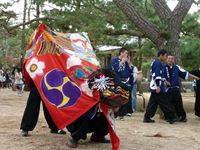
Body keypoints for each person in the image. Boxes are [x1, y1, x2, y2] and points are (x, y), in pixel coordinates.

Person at [143, 49, 177, 124]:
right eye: (165, 56)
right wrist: (158, 86)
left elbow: (160, 75)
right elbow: (157, 75)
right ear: (161, 55)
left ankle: (147, 117)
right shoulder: (157, 63)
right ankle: (171, 117)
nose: (166, 58)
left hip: (156, 85)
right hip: (157, 86)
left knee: (153, 103)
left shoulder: (157, 62)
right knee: (164, 102)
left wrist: (164, 80)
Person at [163, 54, 199, 122]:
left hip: (176, 89)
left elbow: (185, 73)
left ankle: (182, 117)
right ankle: (169, 117)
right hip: (167, 90)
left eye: (172, 59)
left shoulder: (176, 67)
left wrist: (195, 77)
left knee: (178, 104)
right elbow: (160, 77)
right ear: (166, 59)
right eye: (169, 58)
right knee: (168, 105)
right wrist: (164, 81)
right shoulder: (163, 67)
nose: (170, 60)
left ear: (173, 60)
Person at [111, 48, 133, 120]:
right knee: (118, 97)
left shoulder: (126, 62)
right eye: (126, 53)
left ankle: (122, 114)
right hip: (118, 81)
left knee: (125, 97)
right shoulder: (114, 60)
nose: (127, 55)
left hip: (126, 81)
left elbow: (130, 72)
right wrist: (122, 62)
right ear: (121, 53)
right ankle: (115, 113)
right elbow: (116, 70)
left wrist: (129, 64)